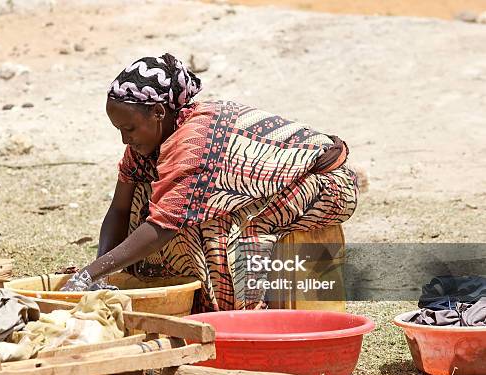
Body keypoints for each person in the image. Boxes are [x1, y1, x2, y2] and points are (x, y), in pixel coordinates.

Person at [61, 53, 358, 312]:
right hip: (276, 186)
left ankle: (239, 316)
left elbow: (164, 226)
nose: (125, 139)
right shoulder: (149, 143)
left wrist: (87, 273)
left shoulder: (194, 142)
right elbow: (121, 208)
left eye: (129, 128)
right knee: (144, 194)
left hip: (326, 184)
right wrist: (100, 273)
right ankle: (178, 295)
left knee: (216, 226)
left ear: (159, 113)